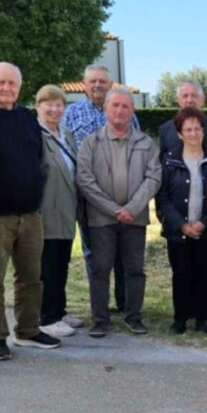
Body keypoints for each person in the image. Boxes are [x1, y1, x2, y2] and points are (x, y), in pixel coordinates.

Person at [0, 62, 61, 360]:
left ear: (20, 87)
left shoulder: (26, 117)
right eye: (1, 82)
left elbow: (37, 159)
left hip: (30, 215)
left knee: (32, 277)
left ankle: (28, 329)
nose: (7, 88)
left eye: (12, 83)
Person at [76, 88, 160, 338]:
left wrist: (132, 208)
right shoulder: (91, 142)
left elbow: (154, 177)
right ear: (106, 109)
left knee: (135, 269)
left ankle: (134, 316)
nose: (120, 110)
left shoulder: (145, 143)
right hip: (101, 219)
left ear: (132, 111)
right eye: (115, 106)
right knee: (100, 269)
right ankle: (100, 320)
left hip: (135, 219)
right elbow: (84, 179)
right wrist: (113, 209)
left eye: (125, 106)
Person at [63, 64, 140, 316]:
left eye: (102, 81)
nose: (98, 85)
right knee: (94, 251)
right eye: (93, 81)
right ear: (84, 84)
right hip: (88, 195)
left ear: (110, 84)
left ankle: (124, 301)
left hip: (122, 193)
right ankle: (100, 305)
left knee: (122, 248)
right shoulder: (71, 113)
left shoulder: (125, 112)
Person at [157, 80, 207, 325]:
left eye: (193, 95)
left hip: (205, 219)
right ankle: (182, 315)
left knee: (206, 271)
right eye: (184, 95)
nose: (189, 99)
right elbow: (162, 189)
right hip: (178, 220)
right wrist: (173, 221)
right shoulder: (166, 138)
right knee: (182, 272)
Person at [36, 85, 81, 337]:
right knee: (49, 264)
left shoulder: (65, 133)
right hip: (47, 208)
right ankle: (47, 316)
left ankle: (60, 310)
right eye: (48, 104)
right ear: (38, 106)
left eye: (59, 104)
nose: (54, 109)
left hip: (66, 206)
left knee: (62, 261)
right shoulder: (35, 134)